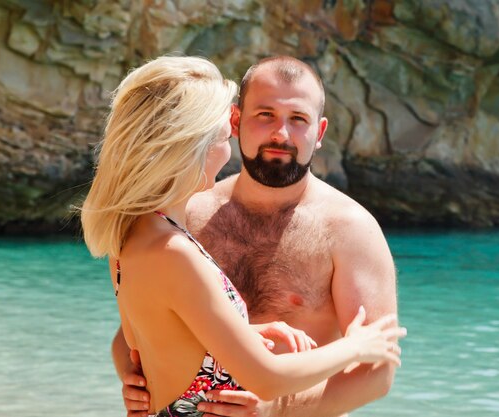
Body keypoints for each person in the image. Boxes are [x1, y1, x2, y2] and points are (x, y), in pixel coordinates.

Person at [81, 56, 404, 417]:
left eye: (297, 119)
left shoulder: (350, 229)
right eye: (265, 115)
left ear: (320, 132)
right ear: (235, 122)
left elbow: (378, 372)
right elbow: (137, 331)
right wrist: (137, 380)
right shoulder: (188, 214)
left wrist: (274, 409)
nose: (281, 134)